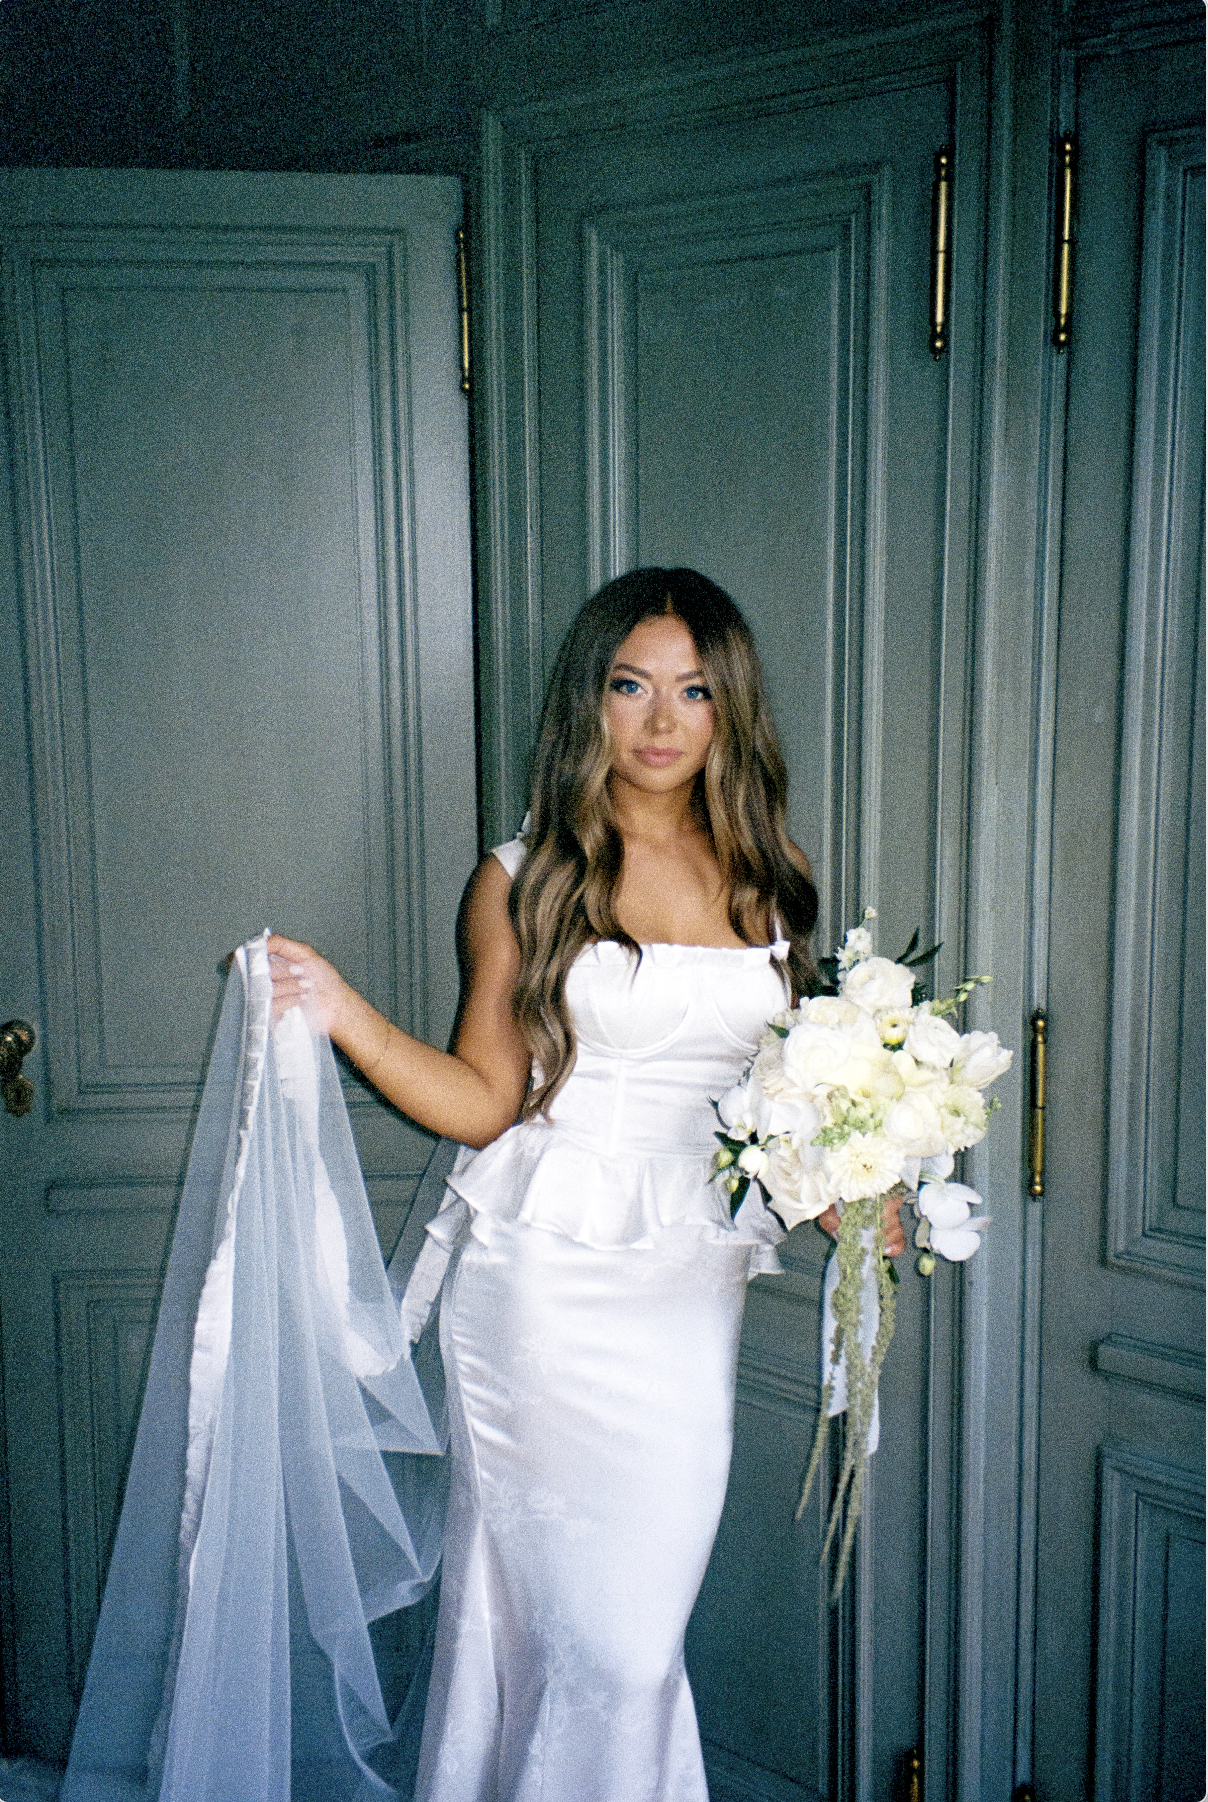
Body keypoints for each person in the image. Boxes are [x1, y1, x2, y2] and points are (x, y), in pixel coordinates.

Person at [268, 568, 905, 1802]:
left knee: (625, 1638)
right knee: (599, 1648)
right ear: (590, 700)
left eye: (693, 690)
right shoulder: (523, 875)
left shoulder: (772, 869)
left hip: (686, 1288)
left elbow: (786, 1098)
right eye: (630, 686)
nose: (661, 720)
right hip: (543, 1288)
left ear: (731, 711)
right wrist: (343, 1013)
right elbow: (483, 1100)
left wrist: (849, 1188)